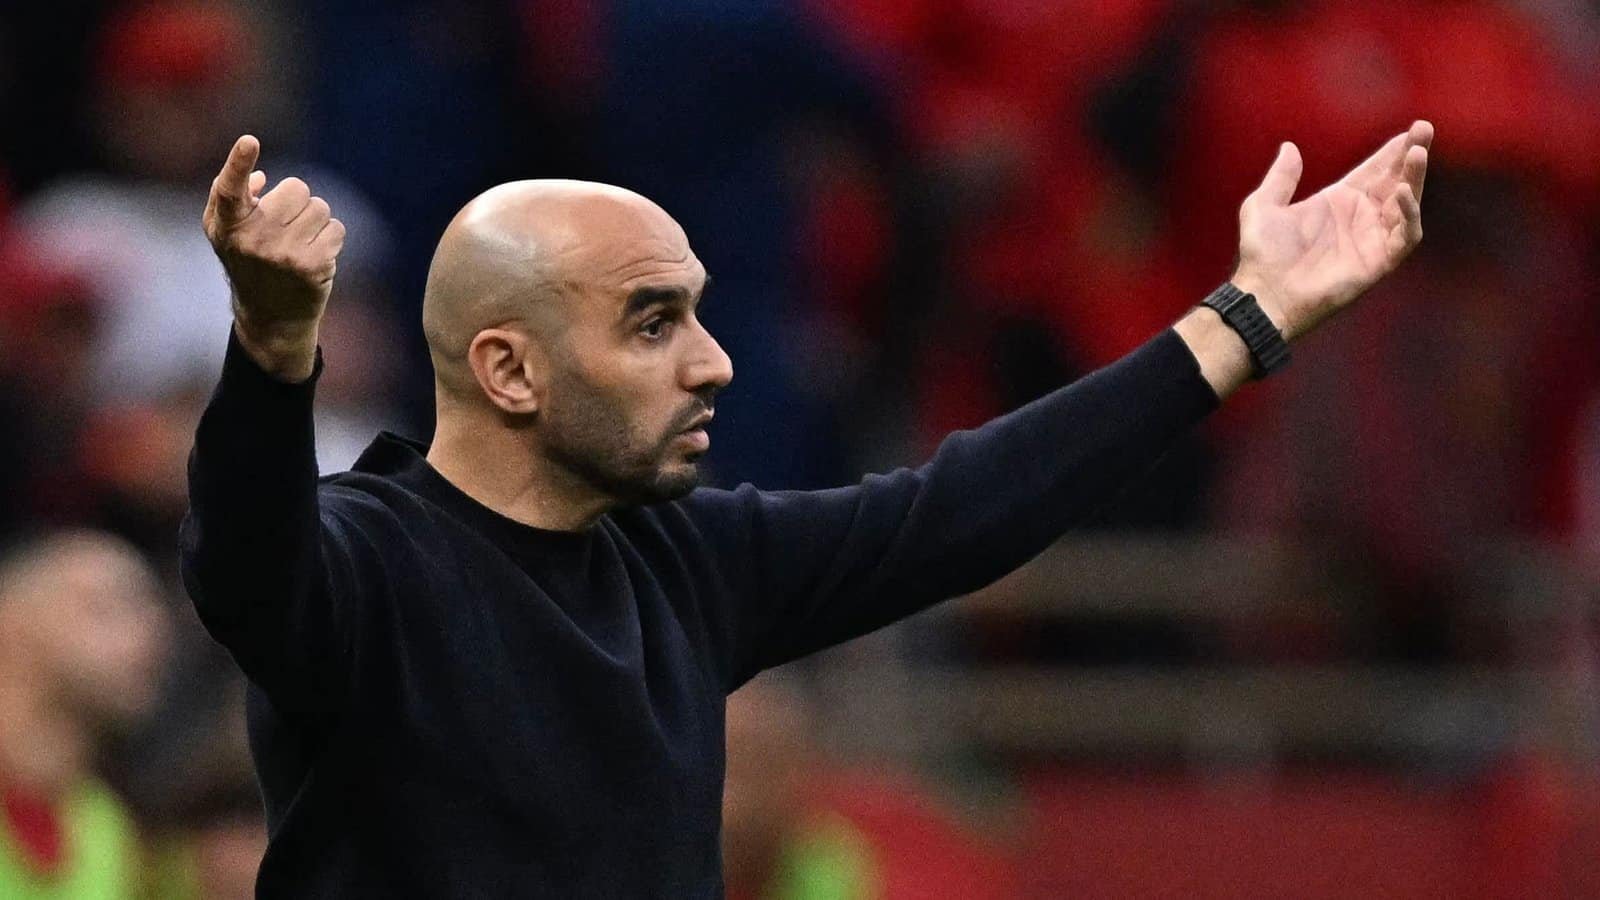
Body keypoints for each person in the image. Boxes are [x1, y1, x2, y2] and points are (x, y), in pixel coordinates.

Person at [181, 121, 1431, 895]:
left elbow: (961, 511)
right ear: (509, 370)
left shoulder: (683, 563)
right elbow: (244, 564)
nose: (714, 361)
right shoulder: (366, 564)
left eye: (700, 311)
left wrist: (1242, 318)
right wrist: (275, 349)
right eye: (653, 321)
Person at [0, 530, 172, 898]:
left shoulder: (104, 825)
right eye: (104, 608)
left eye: (151, 611)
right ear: (10, 623)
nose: (149, 634)